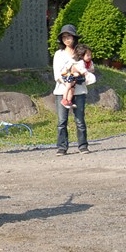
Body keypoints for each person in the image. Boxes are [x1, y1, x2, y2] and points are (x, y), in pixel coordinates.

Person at [52, 24, 91, 155]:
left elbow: (90, 67)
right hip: (61, 91)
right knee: (62, 121)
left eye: (69, 36)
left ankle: (83, 145)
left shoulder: (81, 52)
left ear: (74, 37)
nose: (67, 39)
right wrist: (68, 82)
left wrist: (79, 75)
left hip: (79, 90)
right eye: (64, 37)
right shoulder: (58, 54)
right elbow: (56, 74)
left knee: (80, 119)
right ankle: (62, 147)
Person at [60, 43, 96, 108]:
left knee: (72, 90)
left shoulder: (89, 63)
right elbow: (81, 70)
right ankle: (64, 99)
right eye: (88, 55)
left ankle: (69, 101)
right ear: (81, 55)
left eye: (90, 55)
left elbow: (91, 69)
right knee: (68, 86)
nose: (90, 57)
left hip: (75, 78)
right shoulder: (78, 62)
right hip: (69, 75)